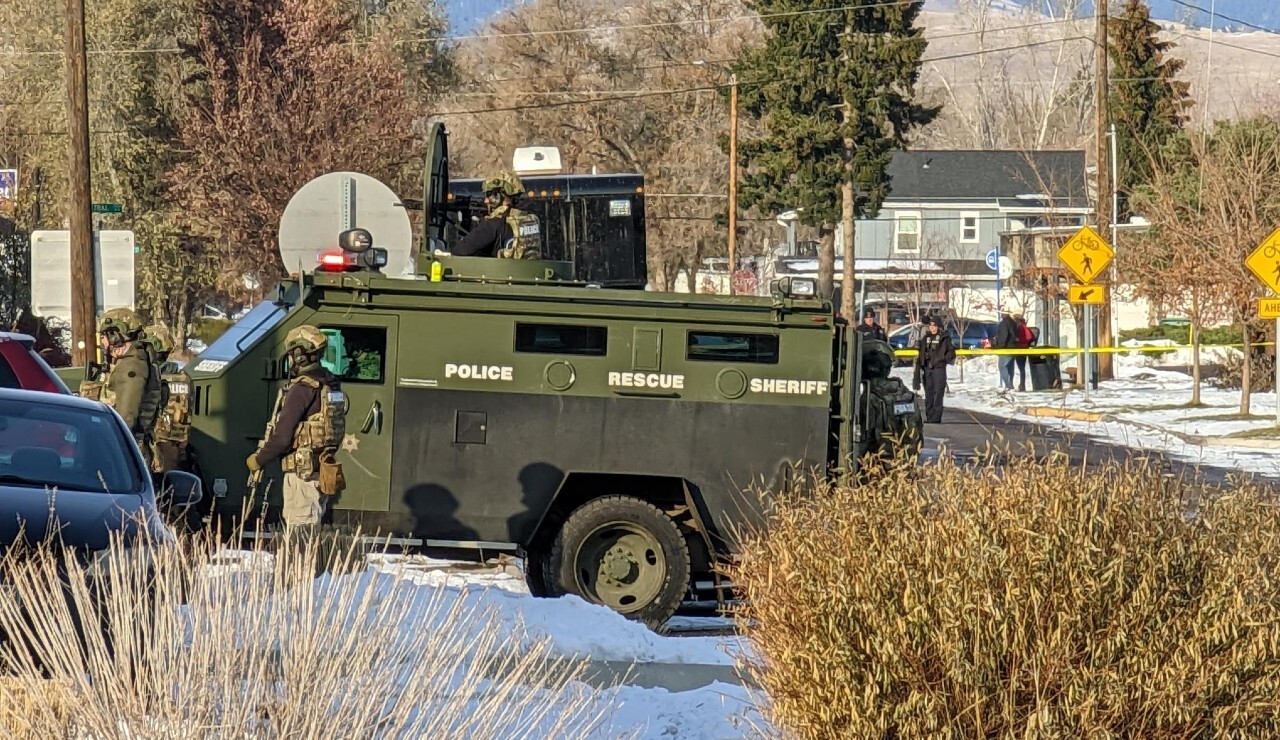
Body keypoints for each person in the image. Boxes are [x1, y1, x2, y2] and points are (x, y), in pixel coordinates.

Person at [246, 325, 347, 528]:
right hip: (320, 468)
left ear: (299, 354)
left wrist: (258, 459)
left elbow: (282, 437)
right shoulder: (329, 384)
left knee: (300, 531)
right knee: (311, 526)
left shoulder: (302, 388)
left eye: (292, 353)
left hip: (302, 474)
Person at [91, 308, 160, 467]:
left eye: (104, 336)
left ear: (116, 336)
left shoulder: (132, 367)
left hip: (125, 449)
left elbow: (126, 417)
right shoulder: (129, 363)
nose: (102, 342)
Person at [453, 170, 543, 260]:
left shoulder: (494, 224)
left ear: (499, 196)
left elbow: (459, 251)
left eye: (489, 195)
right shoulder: (530, 220)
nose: (486, 201)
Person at [912, 315, 955, 424]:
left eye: (934, 325)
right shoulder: (926, 338)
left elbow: (951, 352)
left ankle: (936, 417)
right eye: (930, 325)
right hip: (927, 369)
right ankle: (929, 416)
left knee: (938, 393)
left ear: (939, 326)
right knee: (929, 393)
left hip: (939, 369)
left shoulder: (944, 338)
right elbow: (921, 353)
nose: (932, 328)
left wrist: (943, 359)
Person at [994, 311, 1019, 391]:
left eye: (1001, 313)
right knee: (1010, 367)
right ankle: (1010, 384)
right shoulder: (1013, 323)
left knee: (1002, 366)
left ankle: (1009, 385)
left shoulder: (1004, 323)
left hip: (1005, 348)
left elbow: (1003, 336)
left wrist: (999, 345)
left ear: (1004, 314)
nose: (1001, 315)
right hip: (1013, 347)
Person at [1012, 313, 1036, 392]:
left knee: (1021, 368)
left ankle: (1022, 385)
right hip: (1023, 348)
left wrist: (1019, 341)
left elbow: (1028, 337)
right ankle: (1022, 385)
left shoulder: (1021, 327)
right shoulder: (1024, 326)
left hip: (1020, 349)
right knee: (1021, 369)